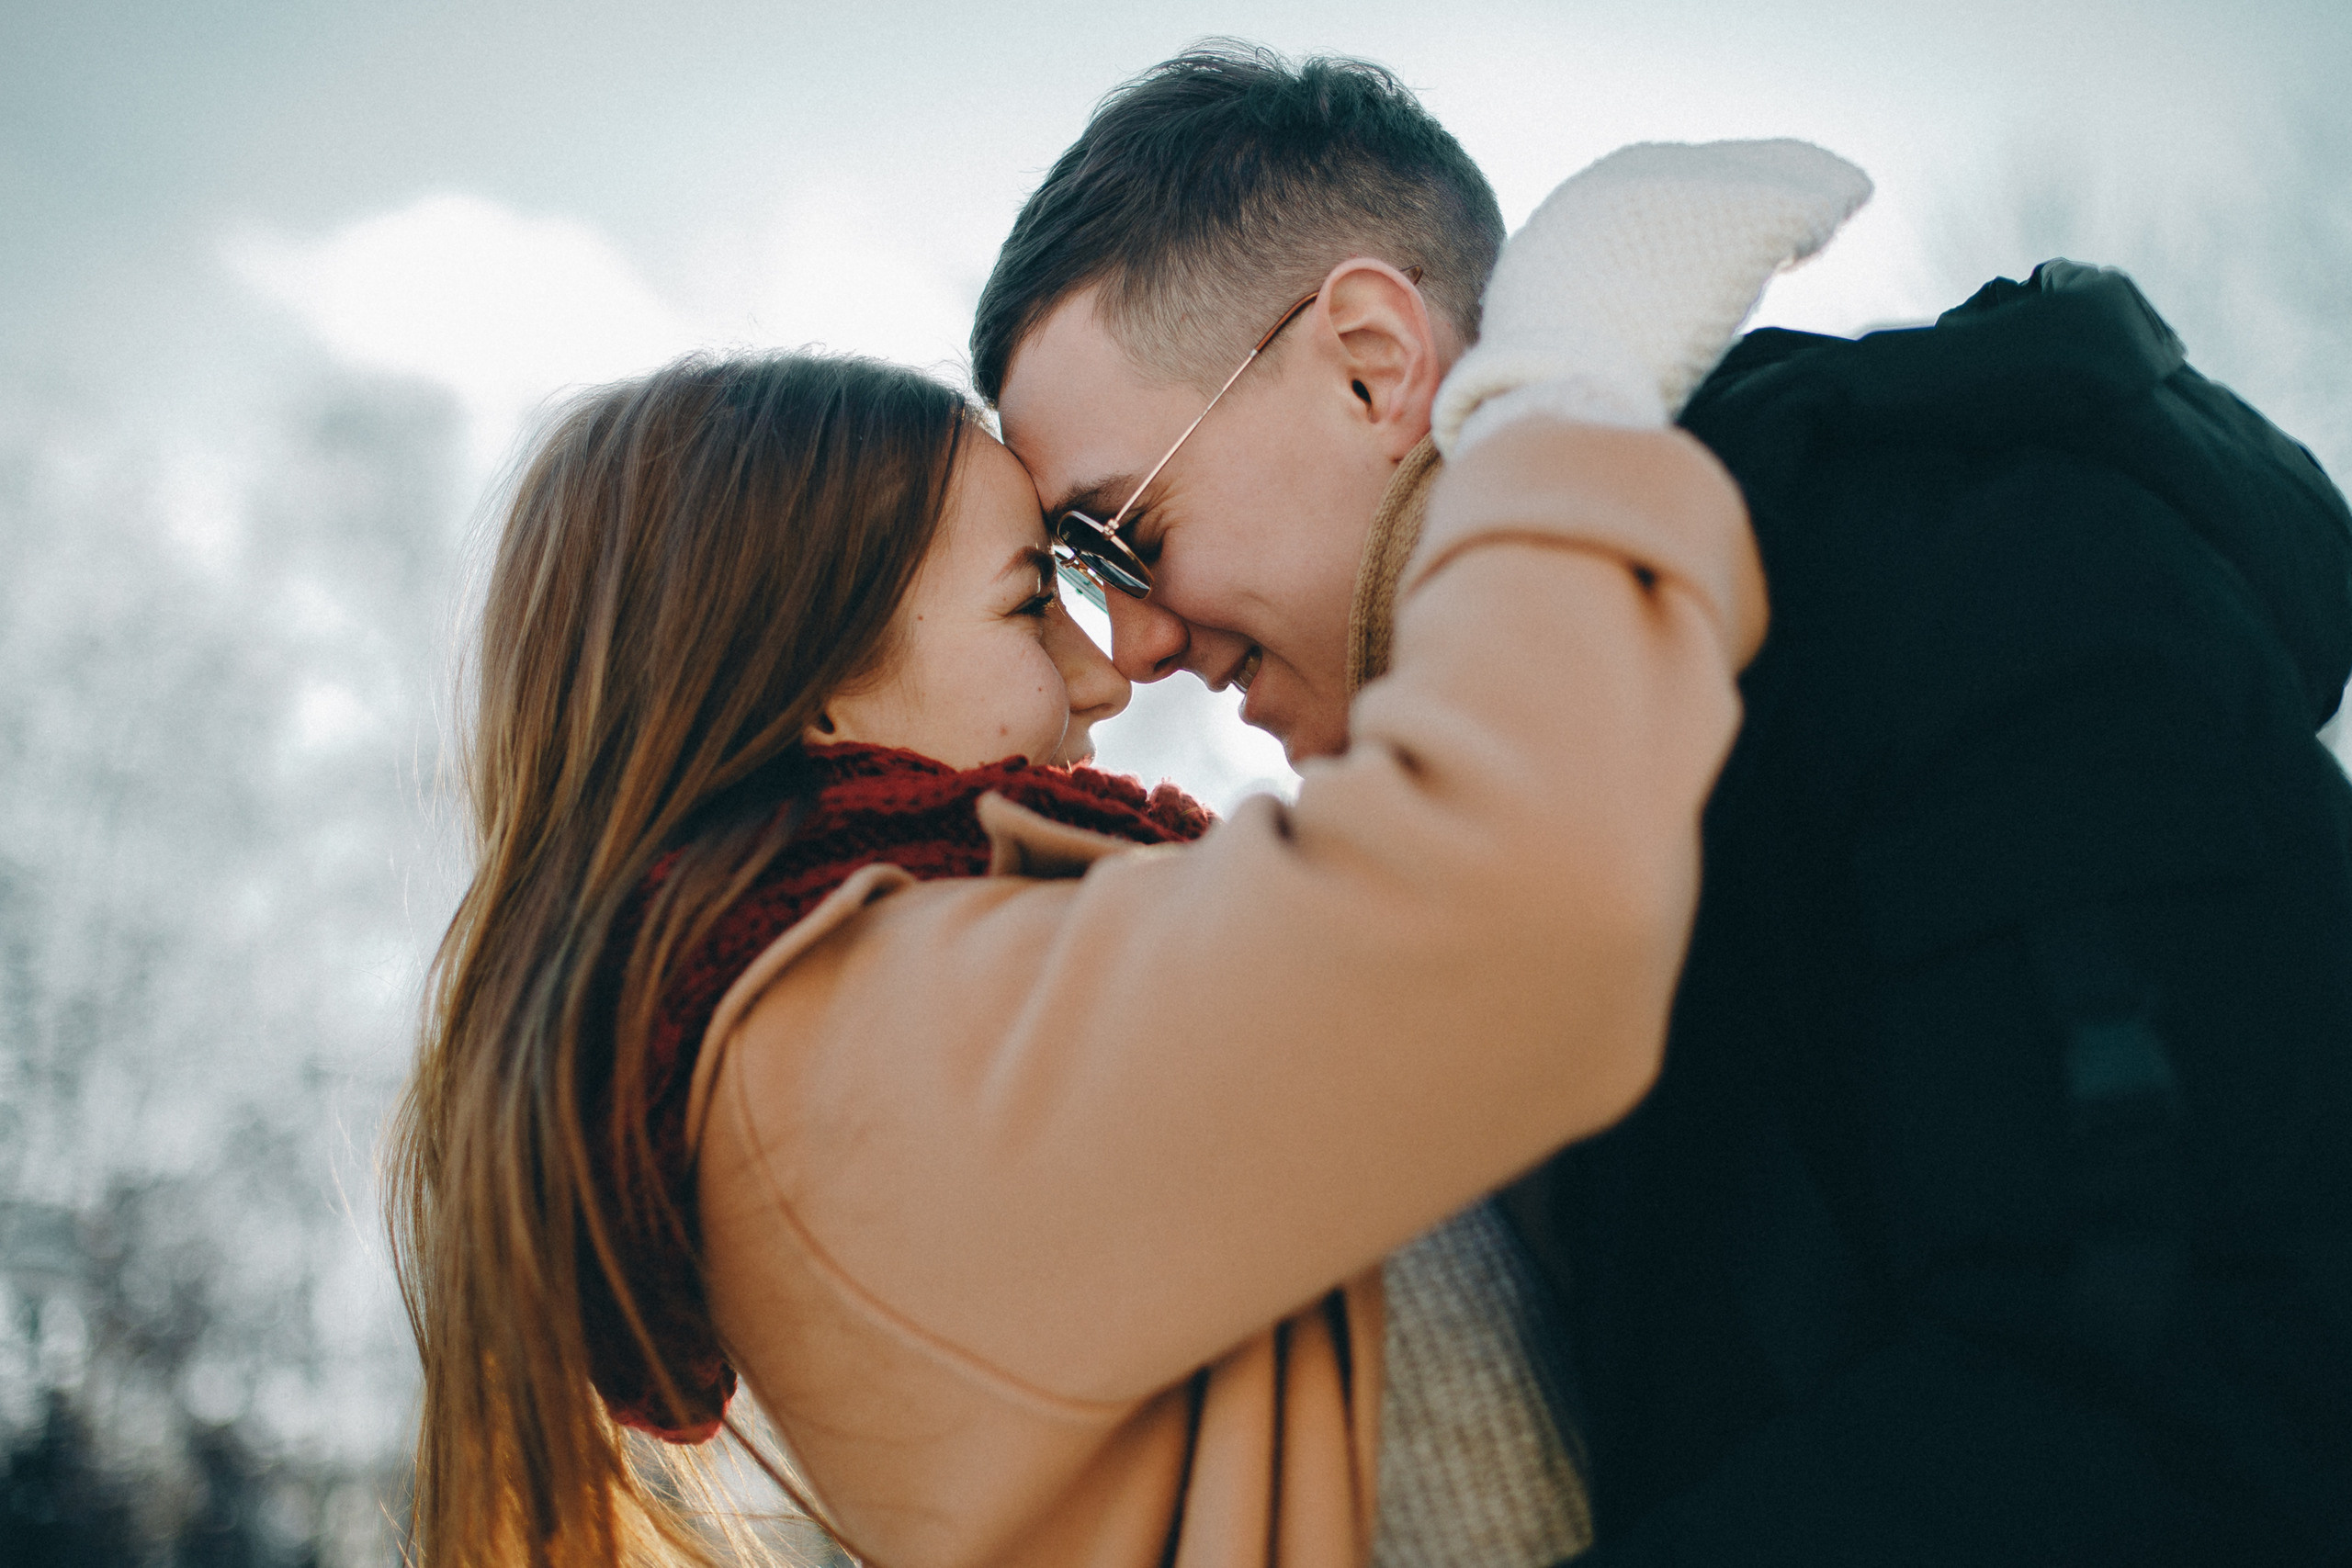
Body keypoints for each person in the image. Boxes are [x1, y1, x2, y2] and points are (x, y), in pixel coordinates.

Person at [978, 42, 2352, 1567]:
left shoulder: (1942, 571)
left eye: (1122, 536)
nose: (1141, 643)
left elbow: (2197, 1384)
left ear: (1372, 360)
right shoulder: (1536, 819)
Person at [385, 335, 1770, 1567]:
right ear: (804, 688)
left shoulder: (877, 1018)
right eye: (1025, 602)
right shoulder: (847, 1066)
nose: (1107, 674)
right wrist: (1563, 418)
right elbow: (1522, 902)